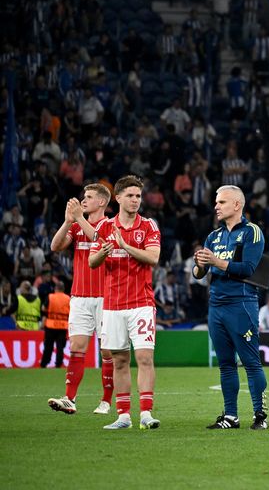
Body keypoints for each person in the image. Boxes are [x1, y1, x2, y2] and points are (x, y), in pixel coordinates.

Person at [88, 175, 162, 430]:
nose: (135, 200)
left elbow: (153, 258)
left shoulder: (149, 226)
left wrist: (125, 245)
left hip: (141, 303)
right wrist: (103, 252)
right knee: (119, 361)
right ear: (117, 198)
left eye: (138, 196)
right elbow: (91, 262)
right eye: (130, 195)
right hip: (112, 306)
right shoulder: (104, 228)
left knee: (143, 358)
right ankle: (123, 416)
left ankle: (146, 413)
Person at [194, 184, 269, 430]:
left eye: (221, 202)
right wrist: (200, 265)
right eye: (216, 202)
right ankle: (231, 416)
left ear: (237, 204)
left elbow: (248, 269)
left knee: (250, 362)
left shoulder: (252, 232)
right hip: (216, 304)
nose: (216, 206)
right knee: (225, 363)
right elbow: (199, 274)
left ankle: (260, 416)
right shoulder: (213, 236)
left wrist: (216, 261)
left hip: (242, 304)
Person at [47, 185, 115, 415]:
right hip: (79, 297)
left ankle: (106, 401)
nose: (83, 201)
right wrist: (68, 221)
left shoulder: (111, 224)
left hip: (106, 297)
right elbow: (55, 246)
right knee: (77, 347)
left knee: (107, 351)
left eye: (88, 197)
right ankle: (69, 398)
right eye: (83, 197)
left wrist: (77, 218)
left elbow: (99, 239)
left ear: (102, 202)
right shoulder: (76, 226)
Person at [41, 280, 69, 368]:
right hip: (63, 325)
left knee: (48, 346)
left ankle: (44, 363)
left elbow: (43, 308)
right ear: (63, 289)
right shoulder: (68, 298)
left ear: (55, 288)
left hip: (50, 325)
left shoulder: (50, 297)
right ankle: (58, 364)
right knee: (60, 347)